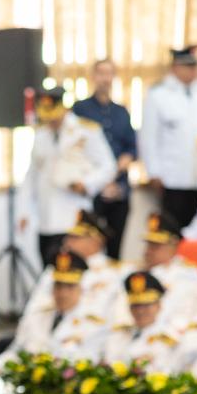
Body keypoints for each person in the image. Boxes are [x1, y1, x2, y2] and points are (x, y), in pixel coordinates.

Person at [20, 86, 116, 266]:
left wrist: (86, 184)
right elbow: (31, 176)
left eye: (54, 114)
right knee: (48, 269)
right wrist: (24, 211)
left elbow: (108, 166)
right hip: (46, 218)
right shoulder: (40, 134)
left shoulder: (86, 130)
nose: (51, 121)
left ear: (64, 108)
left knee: (72, 270)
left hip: (73, 215)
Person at [140, 45, 197, 228]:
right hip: (173, 177)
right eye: (188, 66)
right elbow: (148, 138)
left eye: (195, 66)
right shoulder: (159, 95)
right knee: (173, 228)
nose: (193, 71)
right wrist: (153, 172)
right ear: (175, 68)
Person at [0, 251, 109, 367]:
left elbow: (86, 362)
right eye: (58, 286)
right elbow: (17, 349)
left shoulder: (92, 323)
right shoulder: (38, 314)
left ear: (81, 289)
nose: (63, 293)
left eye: (70, 287)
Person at [72, 58, 138, 259]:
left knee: (115, 247)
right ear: (93, 76)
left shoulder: (121, 112)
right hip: (92, 189)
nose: (105, 78)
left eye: (109, 73)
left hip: (119, 188)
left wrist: (117, 171)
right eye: (101, 73)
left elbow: (131, 147)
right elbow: (75, 151)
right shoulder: (80, 110)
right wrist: (101, 180)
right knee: (88, 248)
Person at [23, 210, 130, 319]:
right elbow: (34, 307)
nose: (67, 242)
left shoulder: (117, 272)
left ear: (96, 241)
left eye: (76, 238)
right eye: (69, 237)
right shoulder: (55, 268)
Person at [137, 212, 197, 328]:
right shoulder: (137, 271)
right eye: (148, 244)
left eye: (155, 246)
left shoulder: (187, 275)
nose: (148, 251)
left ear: (173, 245)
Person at [101, 272, 188, 373]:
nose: (140, 311)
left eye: (146, 305)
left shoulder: (169, 337)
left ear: (159, 305)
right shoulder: (120, 334)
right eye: (136, 305)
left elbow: (168, 370)